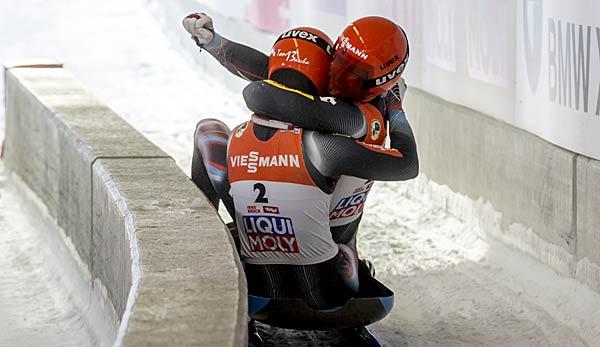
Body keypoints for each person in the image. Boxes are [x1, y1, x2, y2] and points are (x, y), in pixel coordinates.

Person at [184, 14, 417, 259]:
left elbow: (263, 94)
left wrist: (396, 110)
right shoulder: (341, 94)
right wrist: (215, 43)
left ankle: (205, 247)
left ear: (379, 84)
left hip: (316, 229)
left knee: (208, 133)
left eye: (353, 72)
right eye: (337, 58)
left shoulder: (361, 117)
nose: (337, 74)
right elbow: (269, 72)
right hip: (294, 215)